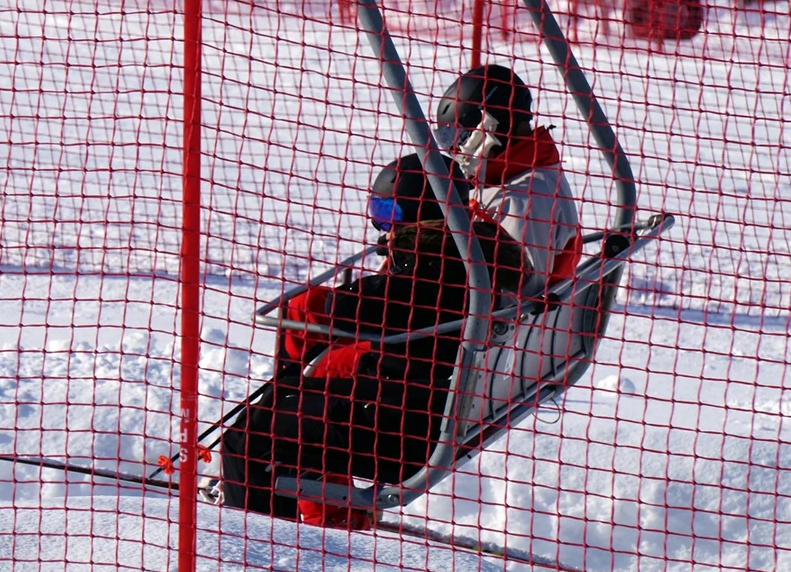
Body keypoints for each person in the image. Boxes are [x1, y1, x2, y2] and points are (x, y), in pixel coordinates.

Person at [220, 154, 526, 527]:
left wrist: (320, 304)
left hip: (404, 433)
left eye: (390, 212)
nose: (383, 225)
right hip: (431, 407)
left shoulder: (429, 275)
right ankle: (321, 511)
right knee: (286, 409)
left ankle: (264, 553)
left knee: (247, 440)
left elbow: (348, 307)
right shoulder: (476, 255)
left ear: (421, 213)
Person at [435, 64, 584, 292]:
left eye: (462, 137)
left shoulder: (523, 199)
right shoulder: (506, 178)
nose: (457, 150)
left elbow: (517, 296)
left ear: (494, 124)